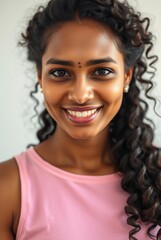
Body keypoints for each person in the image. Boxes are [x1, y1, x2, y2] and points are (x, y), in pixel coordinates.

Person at [0, 0, 161, 239]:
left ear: (127, 75)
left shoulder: (156, 176)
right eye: (60, 73)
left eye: (102, 71)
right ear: (40, 77)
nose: (80, 95)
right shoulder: (8, 189)